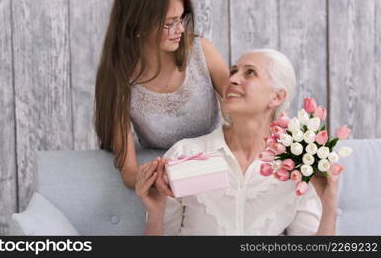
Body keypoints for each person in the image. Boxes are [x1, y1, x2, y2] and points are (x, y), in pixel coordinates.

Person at [135, 49, 340, 235]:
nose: (232, 79)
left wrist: (329, 204)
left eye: (249, 72)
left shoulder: (298, 166)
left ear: (277, 97)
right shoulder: (186, 153)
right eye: (233, 71)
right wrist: (155, 211)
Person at [94, 0, 229, 190]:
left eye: (181, 19)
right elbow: (129, 174)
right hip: (171, 182)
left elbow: (244, 110)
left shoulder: (201, 52)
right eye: (169, 23)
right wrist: (170, 183)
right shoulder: (120, 82)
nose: (180, 30)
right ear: (136, 26)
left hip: (220, 169)